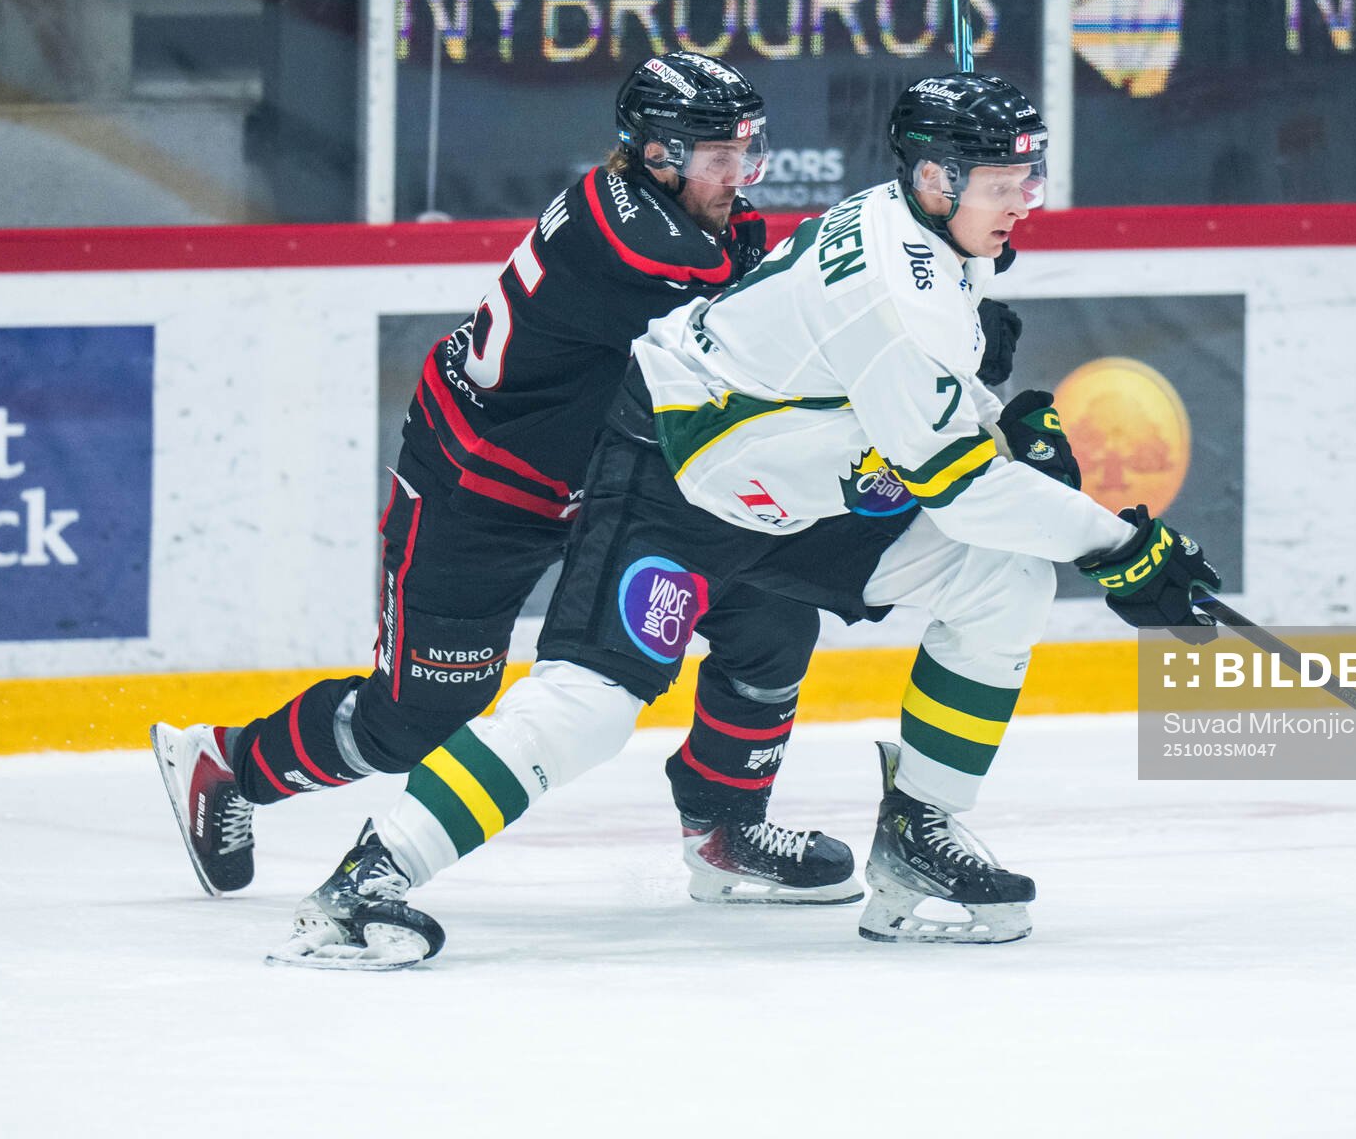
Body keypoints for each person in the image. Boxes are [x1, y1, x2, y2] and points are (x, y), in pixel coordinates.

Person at [268, 71, 1218, 969]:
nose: (1026, 203)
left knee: (997, 581)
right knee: (590, 707)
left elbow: (921, 413)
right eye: (1008, 183)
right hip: (677, 479)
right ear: (937, 177)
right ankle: (362, 884)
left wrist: (988, 411)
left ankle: (916, 835)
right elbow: (960, 488)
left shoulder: (917, 230)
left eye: (1030, 177)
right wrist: (1120, 546)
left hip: (787, 487)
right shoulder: (891, 293)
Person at [150, 52, 870, 909]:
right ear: (653, 154)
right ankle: (228, 766)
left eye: (746, 150)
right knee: (419, 717)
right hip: (479, 490)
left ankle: (725, 831)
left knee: (772, 614)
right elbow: (780, 329)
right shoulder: (639, 241)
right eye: (718, 156)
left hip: (615, 486)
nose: (739, 175)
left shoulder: (701, 223)